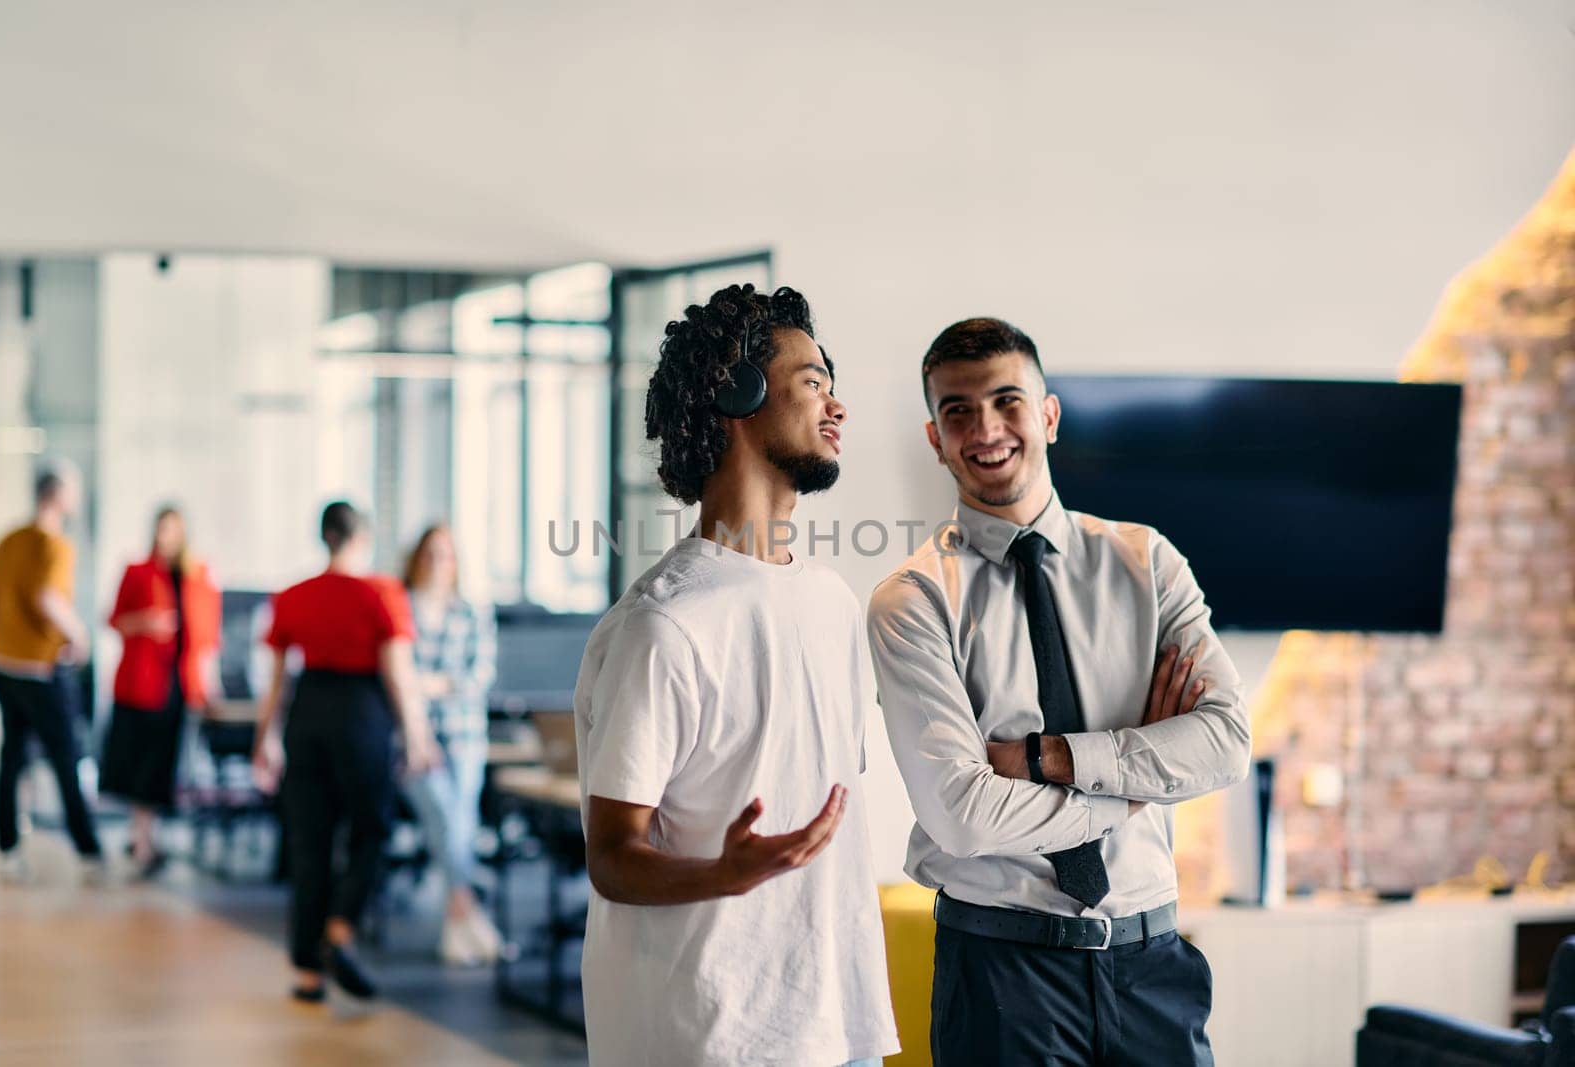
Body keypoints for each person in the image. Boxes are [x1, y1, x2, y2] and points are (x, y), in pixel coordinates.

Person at [867, 318, 1251, 1066]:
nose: (985, 428)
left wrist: (1049, 758)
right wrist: (1139, 779)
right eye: (958, 411)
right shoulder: (913, 600)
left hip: (1153, 964)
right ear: (934, 437)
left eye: (1007, 400)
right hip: (1003, 976)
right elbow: (965, 815)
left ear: (1047, 413)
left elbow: (1226, 741)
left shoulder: (1148, 563)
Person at [574, 284, 899, 1067]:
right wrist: (724, 872)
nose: (838, 407)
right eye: (814, 380)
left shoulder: (830, 602)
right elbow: (612, 855)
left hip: (837, 1025)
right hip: (709, 1037)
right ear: (739, 393)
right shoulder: (664, 623)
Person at [251, 501, 439, 1004]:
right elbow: (398, 673)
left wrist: (264, 740)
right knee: (373, 828)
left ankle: (307, 974)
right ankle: (339, 931)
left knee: (310, 845)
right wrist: (417, 736)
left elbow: (275, 682)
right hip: (361, 716)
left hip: (307, 714)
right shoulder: (381, 592)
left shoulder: (291, 596)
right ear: (360, 538)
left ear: (324, 537)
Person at [0, 460, 106, 883]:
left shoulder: (8, 540)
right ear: (57, 495)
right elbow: (48, 597)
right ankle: (88, 849)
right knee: (65, 755)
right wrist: (80, 636)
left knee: (12, 755)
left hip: (2, 664)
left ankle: (7, 847)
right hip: (40, 668)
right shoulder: (54, 545)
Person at [100, 505, 221, 878]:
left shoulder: (197, 576)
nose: (165, 536)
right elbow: (114, 619)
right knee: (140, 763)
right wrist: (146, 623)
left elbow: (208, 635)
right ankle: (142, 839)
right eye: (161, 529)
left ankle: (146, 838)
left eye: (173, 530)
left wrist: (208, 685)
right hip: (142, 682)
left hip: (179, 684)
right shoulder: (138, 572)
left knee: (163, 763)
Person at [400, 523, 501, 965]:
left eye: (446, 555)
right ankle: (467, 913)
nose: (438, 564)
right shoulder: (400, 609)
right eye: (430, 554)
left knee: (459, 821)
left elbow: (478, 678)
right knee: (446, 817)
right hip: (413, 740)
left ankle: (457, 919)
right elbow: (396, 682)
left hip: (464, 737)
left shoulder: (471, 613)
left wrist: (427, 683)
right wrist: (424, 694)